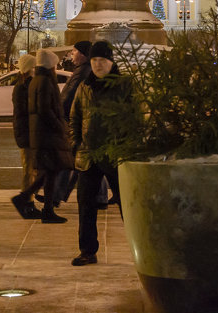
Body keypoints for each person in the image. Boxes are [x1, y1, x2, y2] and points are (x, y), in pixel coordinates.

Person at [69, 41, 133, 267]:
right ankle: (87, 250)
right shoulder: (85, 86)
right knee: (85, 205)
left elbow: (134, 117)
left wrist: (126, 146)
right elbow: (75, 117)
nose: (97, 64)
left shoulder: (124, 86)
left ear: (111, 62)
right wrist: (77, 143)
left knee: (128, 205)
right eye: (94, 60)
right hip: (88, 155)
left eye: (102, 60)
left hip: (115, 155)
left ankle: (140, 248)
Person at [14, 48, 73, 223]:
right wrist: (61, 126)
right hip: (47, 134)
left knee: (48, 171)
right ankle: (30, 200)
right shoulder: (46, 82)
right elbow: (45, 109)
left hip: (41, 134)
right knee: (51, 169)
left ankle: (43, 206)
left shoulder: (36, 81)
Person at [10, 53, 40, 219]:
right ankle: (26, 203)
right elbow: (24, 113)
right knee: (29, 170)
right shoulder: (23, 87)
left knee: (32, 170)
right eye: (34, 67)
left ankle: (29, 201)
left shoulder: (25, 85)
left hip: (27, 132)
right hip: (27, 134)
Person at [60, 40, 93, 118]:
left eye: (74, 51)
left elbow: (70, 95)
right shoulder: (81, 69)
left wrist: (60, 111)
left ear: (82, 54)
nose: (72, 53)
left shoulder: (82, 71)